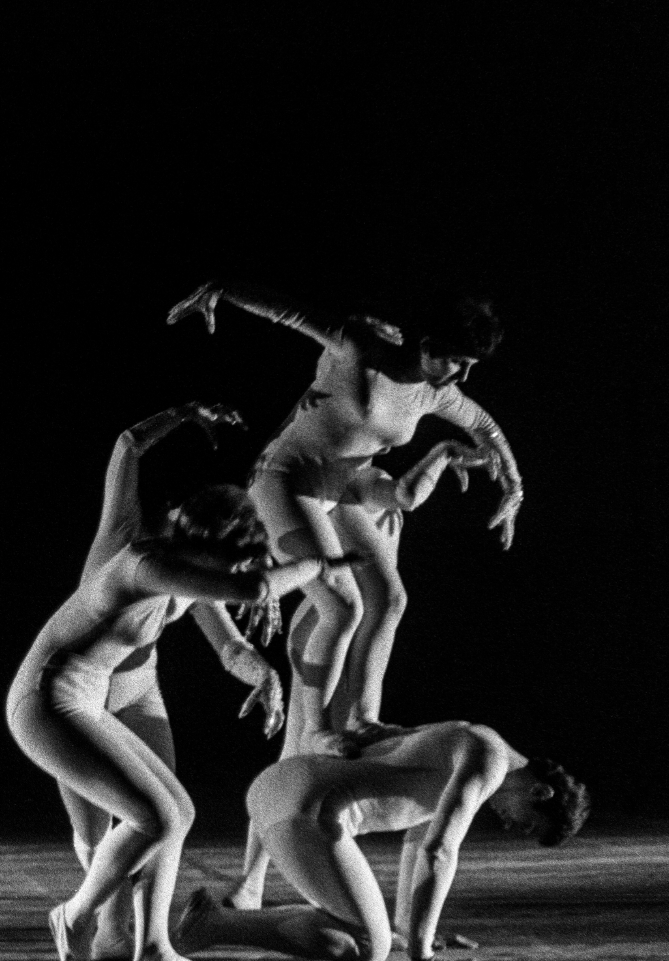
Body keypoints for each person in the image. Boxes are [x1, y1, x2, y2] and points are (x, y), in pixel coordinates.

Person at [7, 403, 341, 961]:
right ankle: (86, 918)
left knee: (172, 816)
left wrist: (263, 675)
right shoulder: (135, 549)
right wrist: (184, 413)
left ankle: (153, 948)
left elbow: (232, 640)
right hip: (59, 699)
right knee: (119, 826)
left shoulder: (190, 575)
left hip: (123, 691)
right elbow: (128, 444)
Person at [168, 283, 521, 737]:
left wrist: (514, 486)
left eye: (470, 365)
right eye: (457, 361)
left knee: (390, 599)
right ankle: (317, 731)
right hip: (286, 481)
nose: (463, 376)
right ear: (428, 344)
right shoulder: (361, 347)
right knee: (342, 605)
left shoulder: (436, 392)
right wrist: (223, 290)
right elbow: (289, 310)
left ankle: (363, 717)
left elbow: (485, 426)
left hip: (344, 487)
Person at [223, 436, 496, 908]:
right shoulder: (350, 489)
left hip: (333, 641)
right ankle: (276, 881)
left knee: (295, 760)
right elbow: (381, 586)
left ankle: (254, 883)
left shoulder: (366, 489)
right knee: (306, 759)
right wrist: (443, 453)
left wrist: (442, 455)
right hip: (328, 640)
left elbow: (403, 495)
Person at [175, 722, 588, 961]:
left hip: (279, 790)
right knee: (370, 948)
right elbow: (439, 851)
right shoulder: (489, 760)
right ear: (541, 792)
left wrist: (412, 930)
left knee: (379, 936)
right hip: (304, 806)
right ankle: (215, 924)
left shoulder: (476, 739)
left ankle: (219, 921)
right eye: (526, 823)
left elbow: (417, 838)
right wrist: (423, 956)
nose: (510, 825)